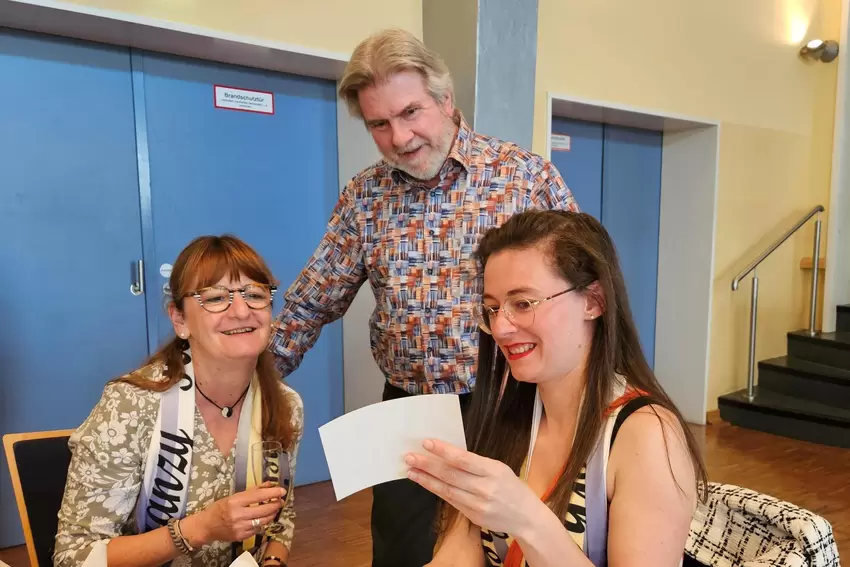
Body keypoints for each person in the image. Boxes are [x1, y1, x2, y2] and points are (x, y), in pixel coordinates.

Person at [268, 28, 578, 567]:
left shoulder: (524, 177)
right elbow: (310, 302)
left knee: (511, 546)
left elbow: (583, 290)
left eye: (411, 112)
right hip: (408, 409)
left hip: (514, 403)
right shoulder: (366, 196)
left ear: (446, 101)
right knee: (400, 550)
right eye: (380, 124)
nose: (400, 137)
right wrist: (242, 386)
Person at [404, 210, 707, 567]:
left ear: (593, 301)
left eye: (523, 304)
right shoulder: (508, 415)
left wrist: (527, 520)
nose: (501, 328)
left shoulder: (647, 435)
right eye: (492, 308)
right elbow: (459, 554)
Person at [54, 235, 304, 567]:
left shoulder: (285, 405)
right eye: (216, 298)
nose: (242, 310)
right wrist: (200, 528)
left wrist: (272, 562)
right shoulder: (130, 405)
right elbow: (73, 558)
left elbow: (279, 522)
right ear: (180, 320)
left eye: (255, 295)